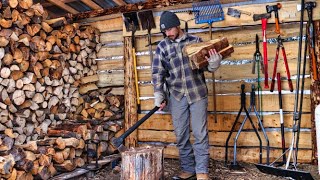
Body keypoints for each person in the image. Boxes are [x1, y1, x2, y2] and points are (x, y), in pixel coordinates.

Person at [152, 11, 222, 180]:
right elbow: (157, 72)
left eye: (169, 29)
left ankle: (202, 172)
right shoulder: (162, 46)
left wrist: (214, 64)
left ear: (177, 25)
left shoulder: (195, 42)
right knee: (181, 135)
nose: (168, 33)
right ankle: (188, 168)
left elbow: (206, 66)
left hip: (197, 93)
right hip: (176, 96)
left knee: (200, 134)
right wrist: (158, 93)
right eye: (165, 31)